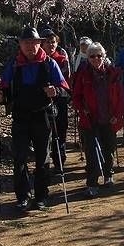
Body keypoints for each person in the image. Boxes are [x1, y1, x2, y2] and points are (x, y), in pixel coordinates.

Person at [0, 27, 70, 212]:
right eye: (26, 43)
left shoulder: (49, 64)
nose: (30, 46)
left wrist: (56, 91)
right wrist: (0, 96)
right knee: (19, 158)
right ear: (20, 45)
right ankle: (23, 197)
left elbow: (66, 90)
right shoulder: (14, 64)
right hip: (20, 116)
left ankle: (42, 196)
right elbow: (3, 88)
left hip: (43, 115)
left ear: (39, 43)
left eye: (33, 43)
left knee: (42, 158)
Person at [72, 42, 124, 198]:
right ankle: (92, 184)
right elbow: (76, 97)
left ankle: (108, 175)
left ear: (104, 56)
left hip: (109, 118)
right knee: (92, 153)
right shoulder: (82, 74)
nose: (96, 59)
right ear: (87, 58)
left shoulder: (113, 73)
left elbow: (121, 97)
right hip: (90, 120)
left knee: (109, 149)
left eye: (99, 55)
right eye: (92, 56)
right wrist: (82, 109)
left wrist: (118, 114)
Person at [41, 28, 71, 166]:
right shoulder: (36, 61)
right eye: (47, 42)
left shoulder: (62, 60)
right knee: (44, 134)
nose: (51, 45)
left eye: (53, 42)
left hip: (60, 100)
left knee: (60, 132)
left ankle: (59, 162)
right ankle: (44, 164)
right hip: (42, 102)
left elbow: (67, 82)